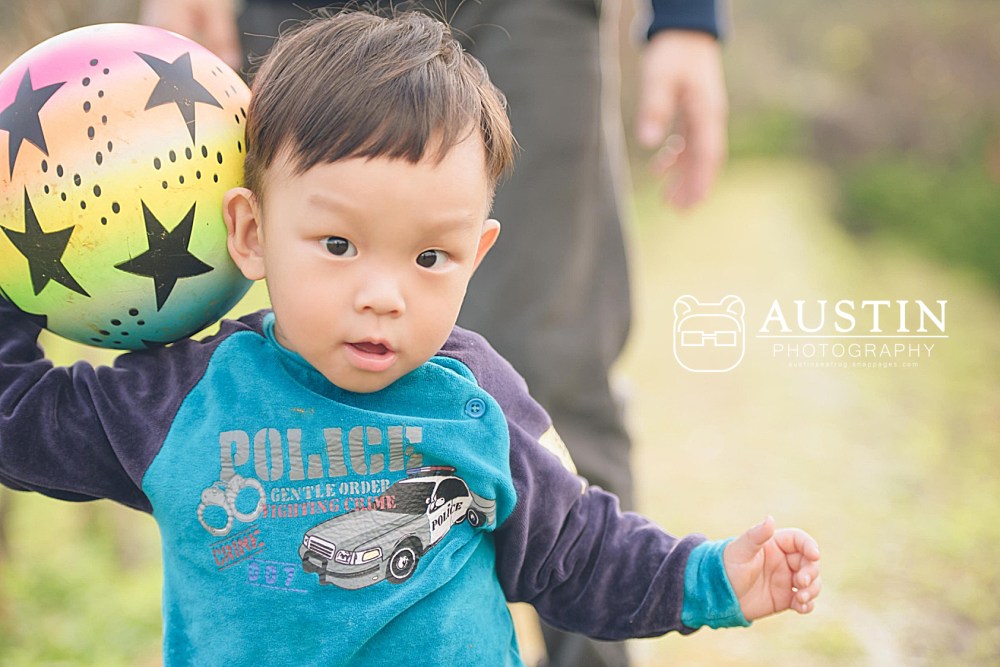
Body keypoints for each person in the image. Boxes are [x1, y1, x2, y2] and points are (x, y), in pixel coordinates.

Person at [0, 10, 812, 667]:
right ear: (251, 232)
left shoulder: (475, 402)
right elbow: (16, 415)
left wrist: (711, 577)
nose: (383, 296)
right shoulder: (181, 403)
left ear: (476, 255)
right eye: (339, 246)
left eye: (430, 257)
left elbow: (579, 552)